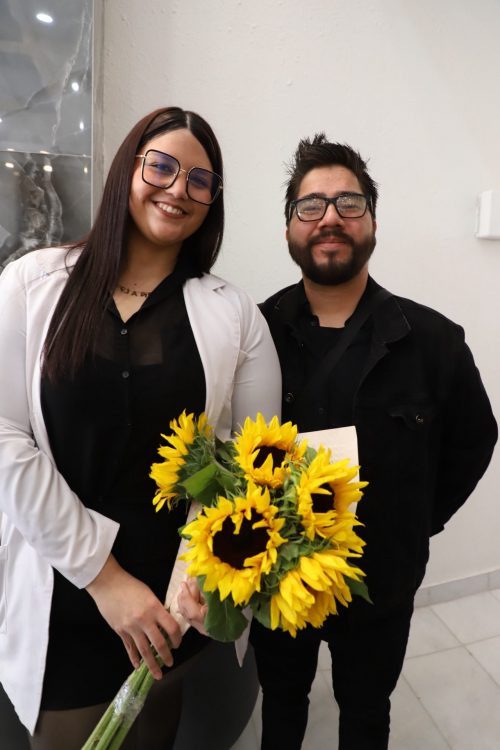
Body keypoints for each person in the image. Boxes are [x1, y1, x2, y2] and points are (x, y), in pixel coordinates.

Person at [0, 106, 281, 750]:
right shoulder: (32, 283)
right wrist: (104, 577)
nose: (178, 188)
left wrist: (196, 581)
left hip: (170, 606)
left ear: (212, 201)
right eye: (162, 166)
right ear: (128, 169)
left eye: (200, 180)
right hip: (64, 591)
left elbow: (251, 460)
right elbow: (5, 436)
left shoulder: (235, 314)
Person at [249, 134, 497, 750]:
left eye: (349, 203)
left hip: (381, 578)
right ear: (289, 228)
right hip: (278, 573)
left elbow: (475, 439)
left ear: (374, 223)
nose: (330, 217)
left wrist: (415, 523)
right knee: (281, 699)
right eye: (310, 205)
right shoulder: (253, 334)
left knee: (365, 709)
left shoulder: (434, 341)